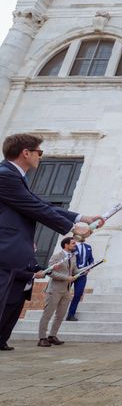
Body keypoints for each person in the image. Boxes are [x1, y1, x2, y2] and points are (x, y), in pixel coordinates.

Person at [0, 133, 99, 318]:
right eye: (39, 152)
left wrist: (82, 218)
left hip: (8, 258)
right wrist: (73, 229)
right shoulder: (5, 176)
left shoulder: (14, 176)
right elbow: (36, 208)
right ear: (26, 153)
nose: (41, 156)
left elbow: (41, 203)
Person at [37, 237, 79, 347]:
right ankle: (42, 338)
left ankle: (52, 336)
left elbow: (74, 271)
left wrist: (85, 270)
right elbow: (50, 272)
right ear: (66, 245)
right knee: (48, 314)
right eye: (73, 243)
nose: (75, 245)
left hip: (66, 291)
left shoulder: (73, 256)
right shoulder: (56, 256)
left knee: (60, 315)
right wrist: (66, 278)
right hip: (54, 290)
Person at [0, 249, 44, 351]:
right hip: (12, 293)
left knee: (12, 320)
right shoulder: (15, 259)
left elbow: (38, 268)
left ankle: (3, 342)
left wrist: (50, 269)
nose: (34, 250)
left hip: (23, 294)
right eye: (32, 248)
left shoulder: (32, 259)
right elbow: (15, 273)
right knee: (4, 318)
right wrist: (33, 275)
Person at [66, 240, 94, 321]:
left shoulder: (88, 247)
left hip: (82, 275)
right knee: (63, 293)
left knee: (78, 294)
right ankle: (58, 312)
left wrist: (90, 266)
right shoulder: (71, 245)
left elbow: (91, 259)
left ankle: (71, 314)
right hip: (70, 273)